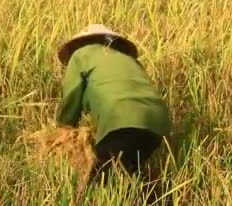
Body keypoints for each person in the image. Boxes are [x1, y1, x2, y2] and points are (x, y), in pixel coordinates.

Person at [55, 24, 171, 183]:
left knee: (97, 184)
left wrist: (63, 132)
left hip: (120, 120)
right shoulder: (130, 60)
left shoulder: (80, 54)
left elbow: (71, 97)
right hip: (158, 123)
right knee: (127, 178)